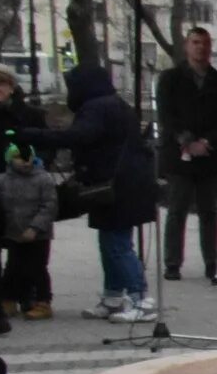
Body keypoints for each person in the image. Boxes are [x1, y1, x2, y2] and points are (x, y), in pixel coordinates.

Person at [31, 63, 156, 321]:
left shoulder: (97, 107)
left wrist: (36, 136)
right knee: (110, 242)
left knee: (118, 245)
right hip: (122, 184)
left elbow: (80, 136)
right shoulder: (113, 104)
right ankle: (112, 297)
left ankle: (140, 299)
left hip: (115, 185)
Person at [155, 25, 217, 283]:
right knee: (177, 208)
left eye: (205, 43)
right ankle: (172, 262)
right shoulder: (170, 79)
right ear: (187, 46)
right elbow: (166, 115)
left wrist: (208, 142)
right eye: (195, 42)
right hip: (180, 154)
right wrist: (186, 141)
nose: (201, 47)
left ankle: (211, 261)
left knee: (208, 211)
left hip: (209, 156)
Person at [0, 130, 52, 321]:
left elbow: (49, 206)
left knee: (37, 267)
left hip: (38, 234)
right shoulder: (2, 180)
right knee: (13, 267)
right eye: (19, 158)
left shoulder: (43, 179)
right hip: (13, 231)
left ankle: (43, 302)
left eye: (28, 157)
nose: (24, 161)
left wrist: (35, 228)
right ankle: (9, 299)